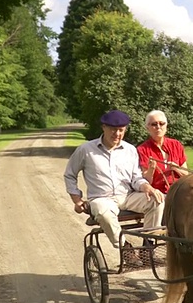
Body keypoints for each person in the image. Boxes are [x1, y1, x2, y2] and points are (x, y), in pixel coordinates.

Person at [64, 110, 165, 265]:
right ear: (103, 127)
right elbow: (70, 174)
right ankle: (126, 249)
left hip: (127, 196)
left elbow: (136, 177)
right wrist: (77, 200)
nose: (117, 133)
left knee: (157, 200)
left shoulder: (130, 150)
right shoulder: (86, 150)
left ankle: (148, 247)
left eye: (121, 130)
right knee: (103, 211)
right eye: (112, 129)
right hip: (102, 198)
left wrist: (146, 186)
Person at [137, 110, 188, 194]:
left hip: (179, 191)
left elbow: (186, 174)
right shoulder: (142, 149)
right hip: (158, 193)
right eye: (154, 124)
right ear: (147, 128)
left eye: (161, 123)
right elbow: (145, 182)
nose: (158, 127)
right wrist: (151, 169)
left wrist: (176, 168)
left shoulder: (176, 145)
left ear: (166, 125)